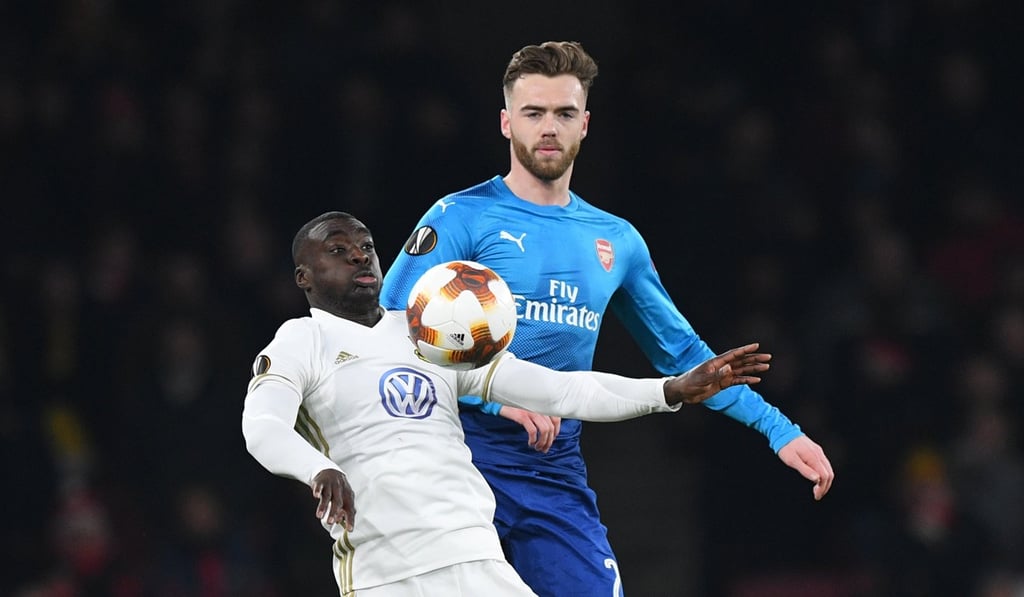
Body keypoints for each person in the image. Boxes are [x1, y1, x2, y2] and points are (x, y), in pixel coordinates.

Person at [379, 40, 835, 596]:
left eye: (564, 114)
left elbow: (684, 356)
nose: (549, 127)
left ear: (586, 124)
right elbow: (390, 334)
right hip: (455, 459)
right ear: (505, 122)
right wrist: (496, 399)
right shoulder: (460, 218)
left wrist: (777, 429)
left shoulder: (616, 241)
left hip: (551, 472)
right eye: (534, 113)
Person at [241, 211, 776, 597]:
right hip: (386, 572)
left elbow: (561, 390)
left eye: (367, 245)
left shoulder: (431, 332)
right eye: (338, 249)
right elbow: (262, 426)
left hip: (475, 557)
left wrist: (667, 391)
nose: (360, 254)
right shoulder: (300, 341)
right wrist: (320, 468)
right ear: (303, 277)